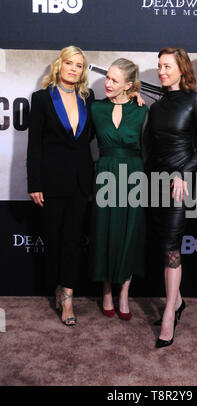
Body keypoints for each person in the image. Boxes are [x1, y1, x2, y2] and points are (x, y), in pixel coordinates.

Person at [147, 47, 197, 348]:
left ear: (182, 69)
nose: (162, 71)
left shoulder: (195, 100)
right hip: (154, 183)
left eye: (167, 66)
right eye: (159, 66)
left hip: (180, 184)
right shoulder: (156, 107)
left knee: (172, 248)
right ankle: (178, 301)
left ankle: (169, 316)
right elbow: (151, 149)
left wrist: (183, 173)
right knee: (162, 245)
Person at [27, 46, 95, 326]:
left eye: (79, 65)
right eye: (69, 63)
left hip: (81, 180)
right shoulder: (42, 99)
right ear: (59, 64)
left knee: (73, 240)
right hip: (52, 181)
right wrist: (35, 182)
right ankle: (57, 286)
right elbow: (35, 146)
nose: (74, 69)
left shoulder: (88, 98)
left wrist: (135, 97)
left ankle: (68, 296)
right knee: (54, 240)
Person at [90, 58, 148, 321]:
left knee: (130, 233)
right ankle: (106, 291)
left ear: (129, 84)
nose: (108, 83)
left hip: (134, 174)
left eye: (115, 80)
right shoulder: (96, 108)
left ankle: (124, 291)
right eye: (107, 78)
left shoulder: (142, 110)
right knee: (103, 231)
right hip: (104, 172)